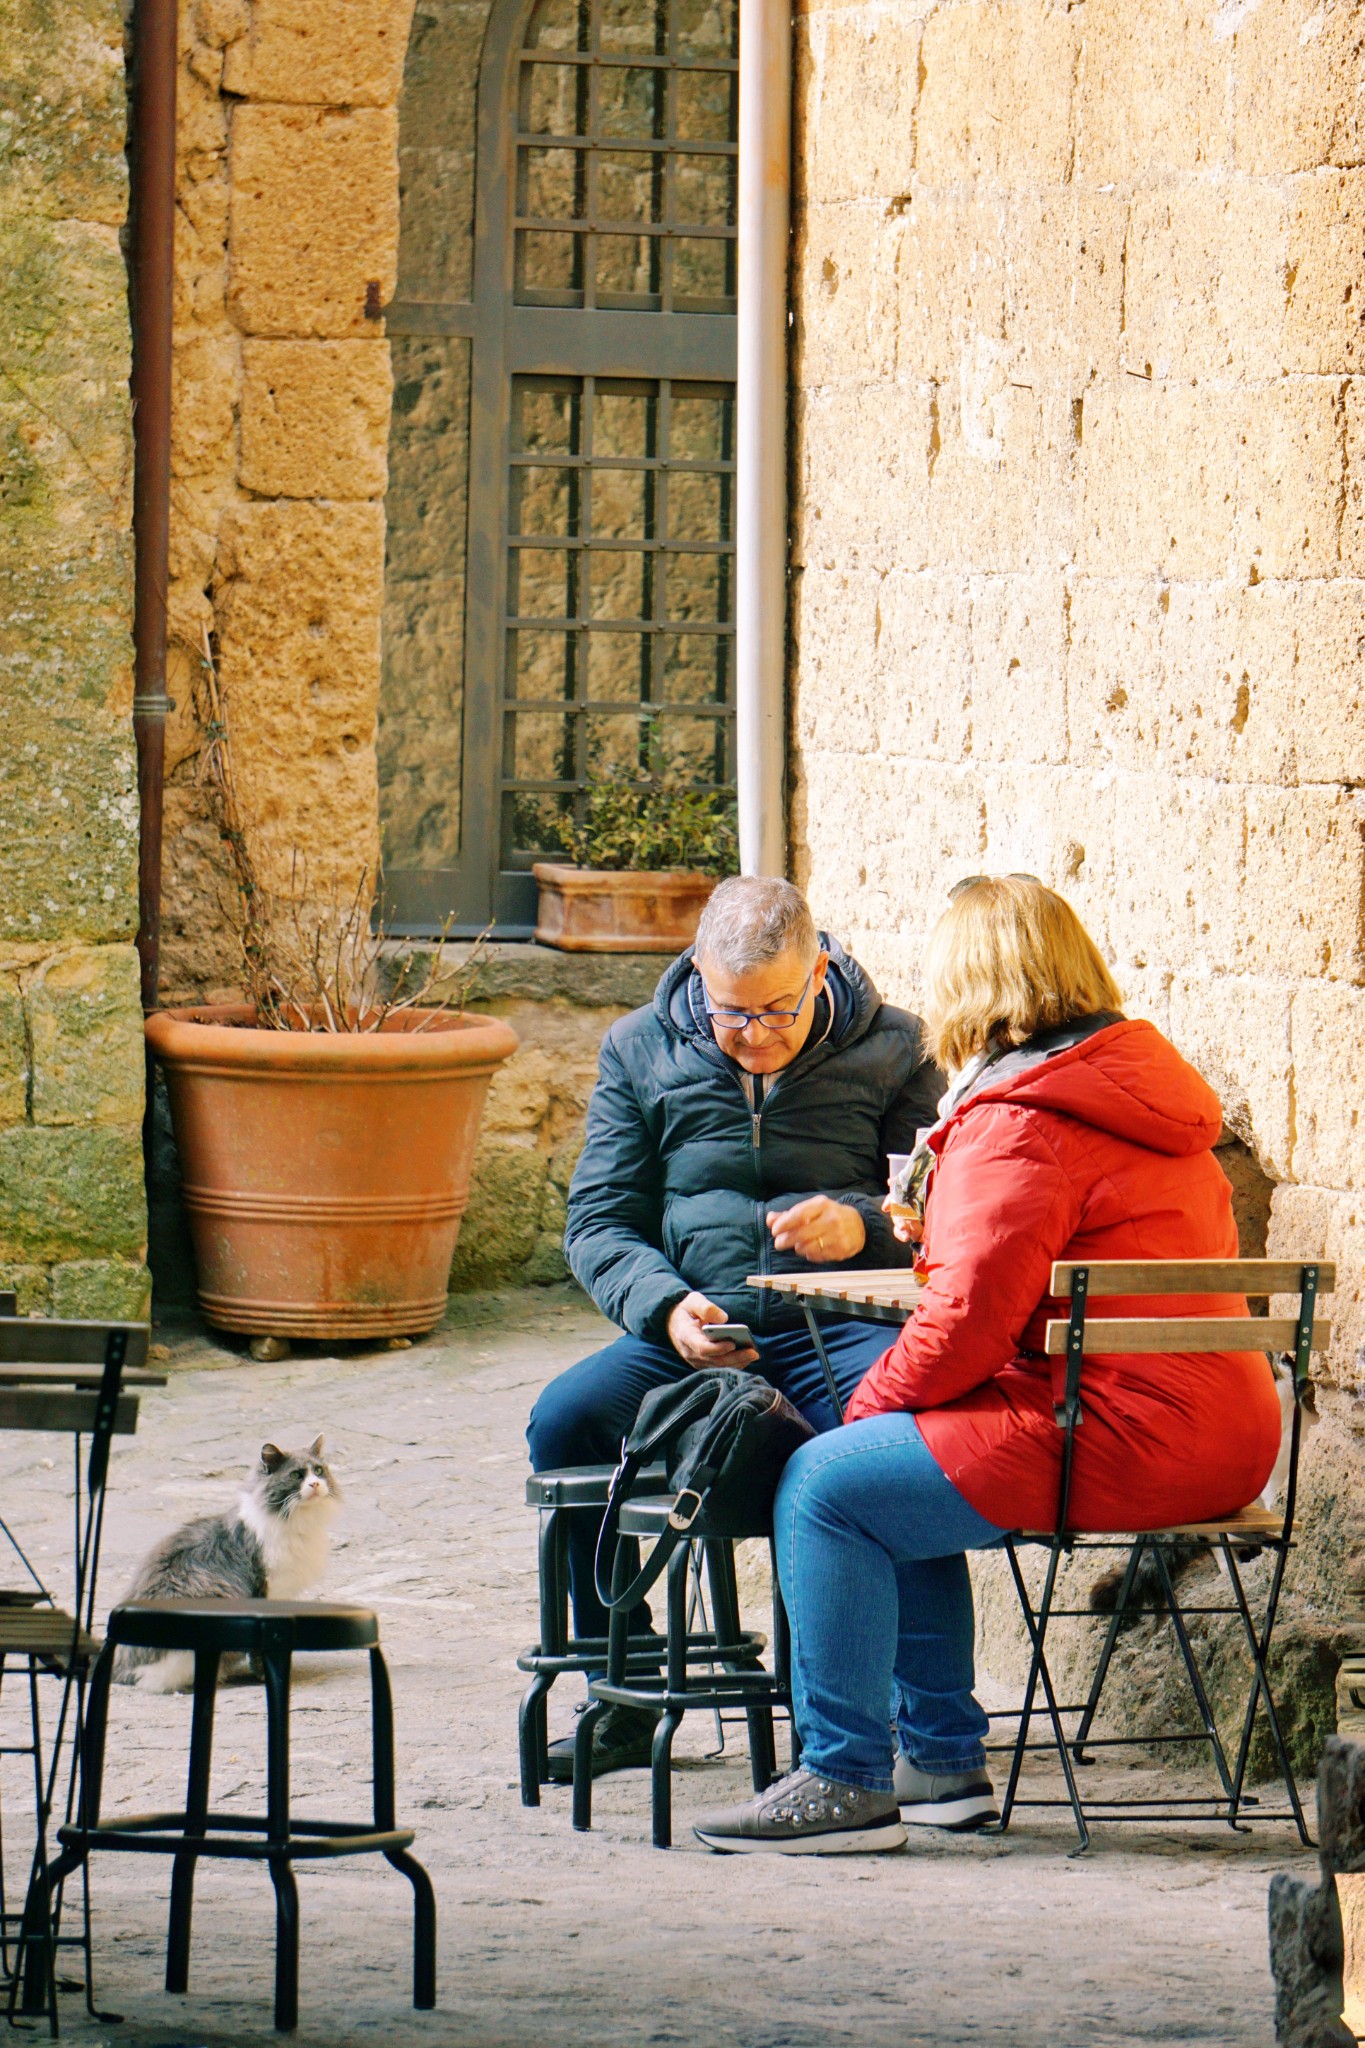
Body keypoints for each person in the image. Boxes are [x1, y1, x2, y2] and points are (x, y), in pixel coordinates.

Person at [692, 876, 1283, 1854]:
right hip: (1226, 1427)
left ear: (971, 977)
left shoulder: (1021, 1117)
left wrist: (863, 1412)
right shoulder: (1142, 1093)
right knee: (891, 1463)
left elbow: (963, 1326)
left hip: (1124, 1430)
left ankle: (844, 1776)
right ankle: (937, 1765)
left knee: (828, 1481)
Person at [527, 875, 943, 1781]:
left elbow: (940, 1207)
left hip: (837, 1324)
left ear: (819, 969)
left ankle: (899, 1725)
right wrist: (664, 1306)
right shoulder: (639, 1049)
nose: (754, 1033)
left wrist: (862, 1226)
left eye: (776, 1011)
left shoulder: (897, 1048)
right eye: (731, 1014)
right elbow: (596, 1222)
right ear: (698, 981)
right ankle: (623, 1689)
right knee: (562, 1423)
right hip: (691, 1330)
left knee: (884, 1448)